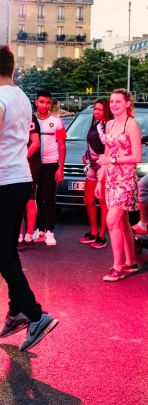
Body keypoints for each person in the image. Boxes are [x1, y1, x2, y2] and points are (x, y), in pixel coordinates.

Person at [0, 45, 58, 351]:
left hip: (6, 181)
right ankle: (16, 311)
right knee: (8, 250)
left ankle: (35, 314)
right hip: (21, 179)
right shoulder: (21, 96)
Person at [96, 89, 142, 282]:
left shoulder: (132, 125)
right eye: (112, 102)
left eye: (118, 102)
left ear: (127, 104)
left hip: (125, 179)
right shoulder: (110, 124)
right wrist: (100, 179)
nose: (114, 105)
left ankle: (117, 267)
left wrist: (113, 161)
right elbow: (106, 154)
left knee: (112, 221)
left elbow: (136, 157)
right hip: (111, 179)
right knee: (122, 222)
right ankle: (130, 262)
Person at [34, 90, 66, 246]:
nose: (44, 105)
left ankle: (49, 231)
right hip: (34, 163)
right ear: (36, 102)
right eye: (41, 102)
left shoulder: (57, 121)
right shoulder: (30, 120)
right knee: (35, 197)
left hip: (51, 163)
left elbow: (62, 145)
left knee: (50, 198)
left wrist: (61, 167)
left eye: (47, 102)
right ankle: (38, 229)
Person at [79, 98, 112, 249]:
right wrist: (86, 154)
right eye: (95, 109)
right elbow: (90, 142)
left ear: (106, 111)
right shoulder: (96, 125)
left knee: (103, 201)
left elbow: (109, 145)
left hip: (103, 166)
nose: (96, 112)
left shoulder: (108, 126)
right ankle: (93, 231)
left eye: (100, 110)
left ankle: (102, 236)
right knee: (88, 199)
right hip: (92, 166)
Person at [17, 112, 41, 250]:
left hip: (29, 162)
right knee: (18, 199)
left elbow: (36, 143)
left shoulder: (28, 116)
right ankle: (19, 236)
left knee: (30, 199)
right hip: (16, 162)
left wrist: (21, 158)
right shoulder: (9, 114)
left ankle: (29, 236)